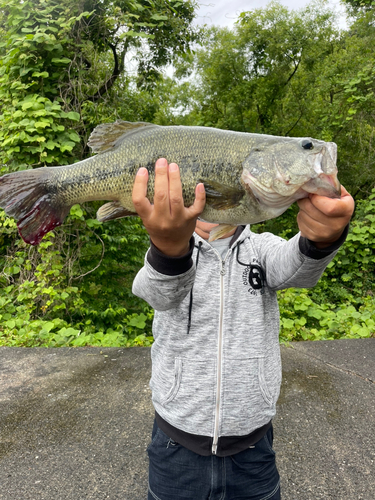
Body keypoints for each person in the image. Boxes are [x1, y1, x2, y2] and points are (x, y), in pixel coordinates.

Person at [131, 158, 354, 500]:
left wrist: (323, 238)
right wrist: (169, 250)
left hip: (253, 448)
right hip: (174, 444)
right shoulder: (170, 248)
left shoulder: (261, 248)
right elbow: (156, 293)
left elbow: (297, 269)